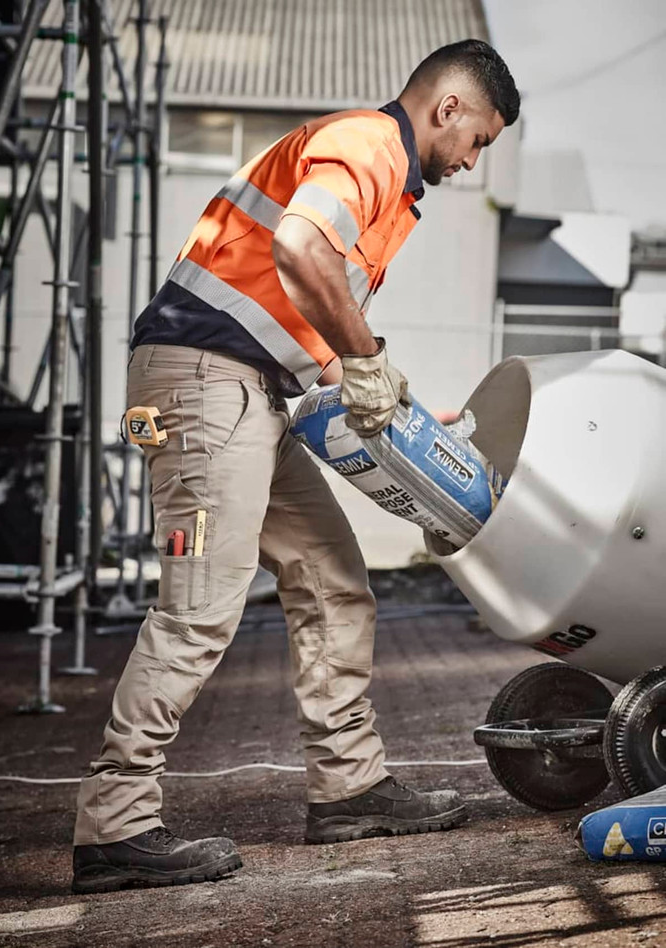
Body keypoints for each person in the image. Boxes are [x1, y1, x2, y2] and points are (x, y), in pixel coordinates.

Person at [72, 39, 520, 894]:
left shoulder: (388, 185)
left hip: (248, 390)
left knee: (333, 576)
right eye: (480, 141)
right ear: (449, 109)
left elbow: (316, 333)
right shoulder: (368, 147)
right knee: (202, 608)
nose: (472, 161)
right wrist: (365, 360)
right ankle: (114, 826)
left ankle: (348, 788)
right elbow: (301, 251)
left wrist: (404, 409)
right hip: (205, 383)